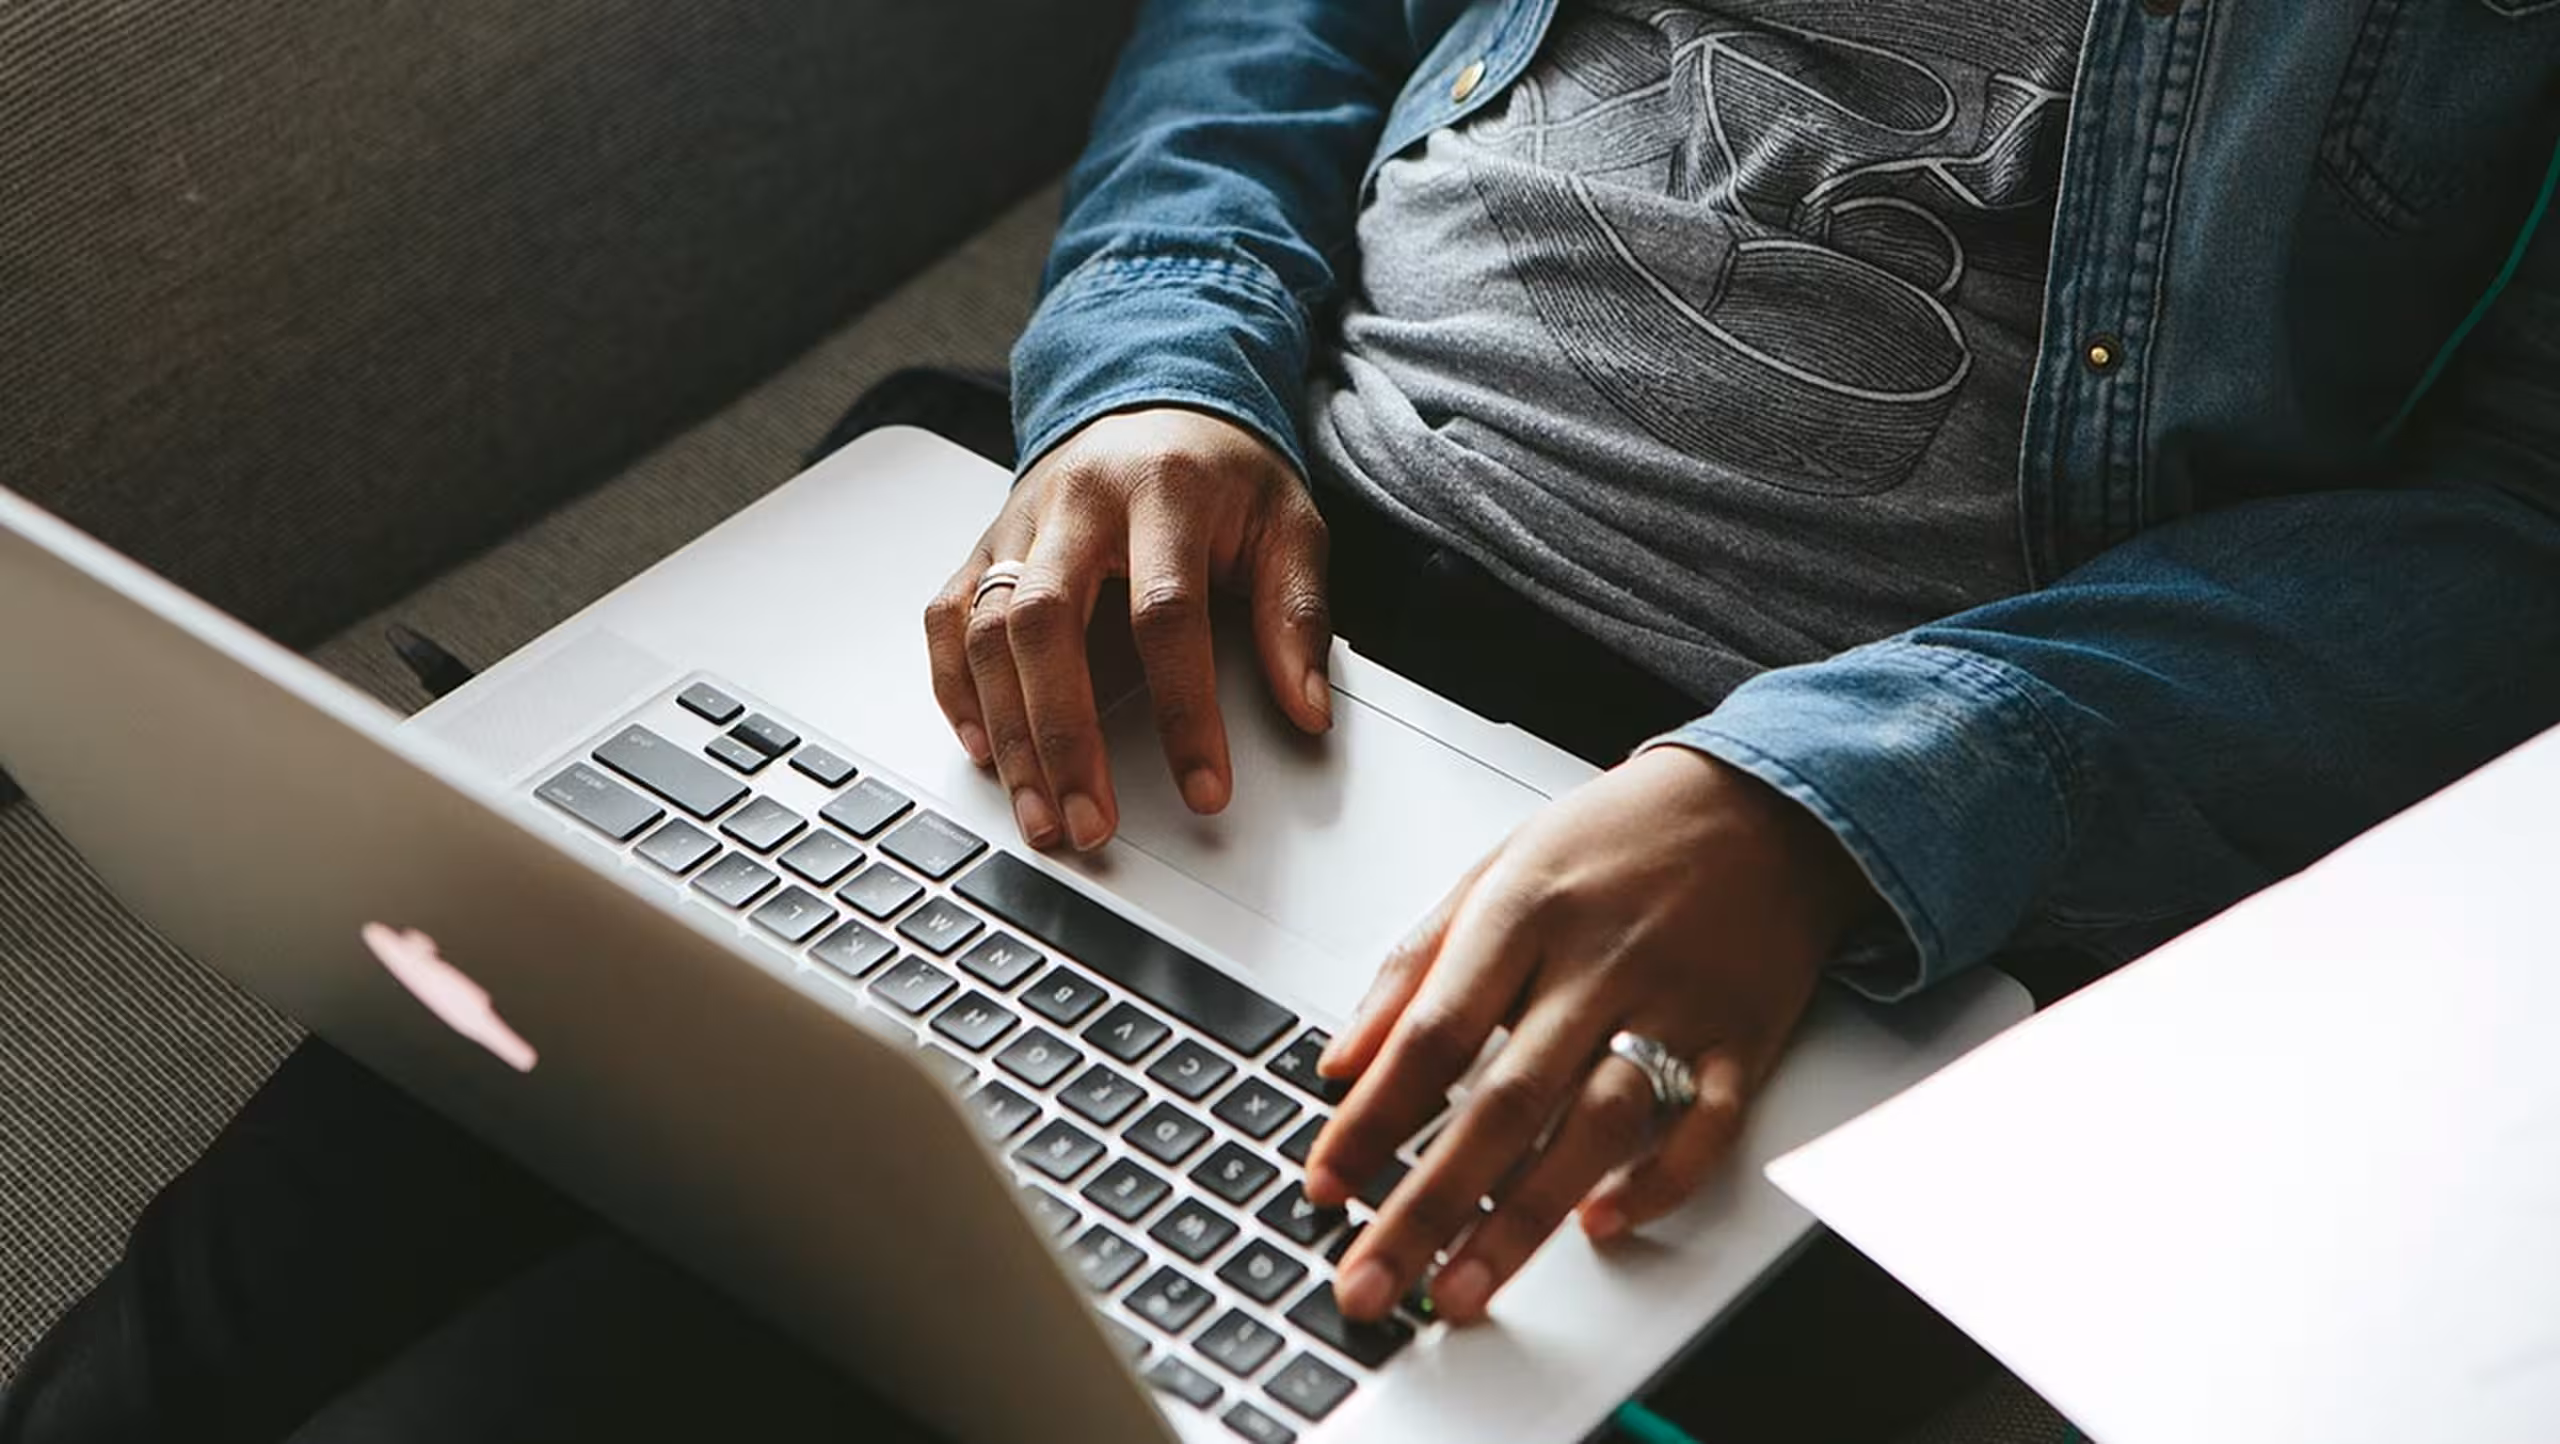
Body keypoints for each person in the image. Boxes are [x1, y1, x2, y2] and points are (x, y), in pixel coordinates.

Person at [8, 3, 2557, 1440]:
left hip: (1776, 805)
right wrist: (1140, 384)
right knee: (200, 1335)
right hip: (1220, 558)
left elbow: (2509, 532)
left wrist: (1831, 798)